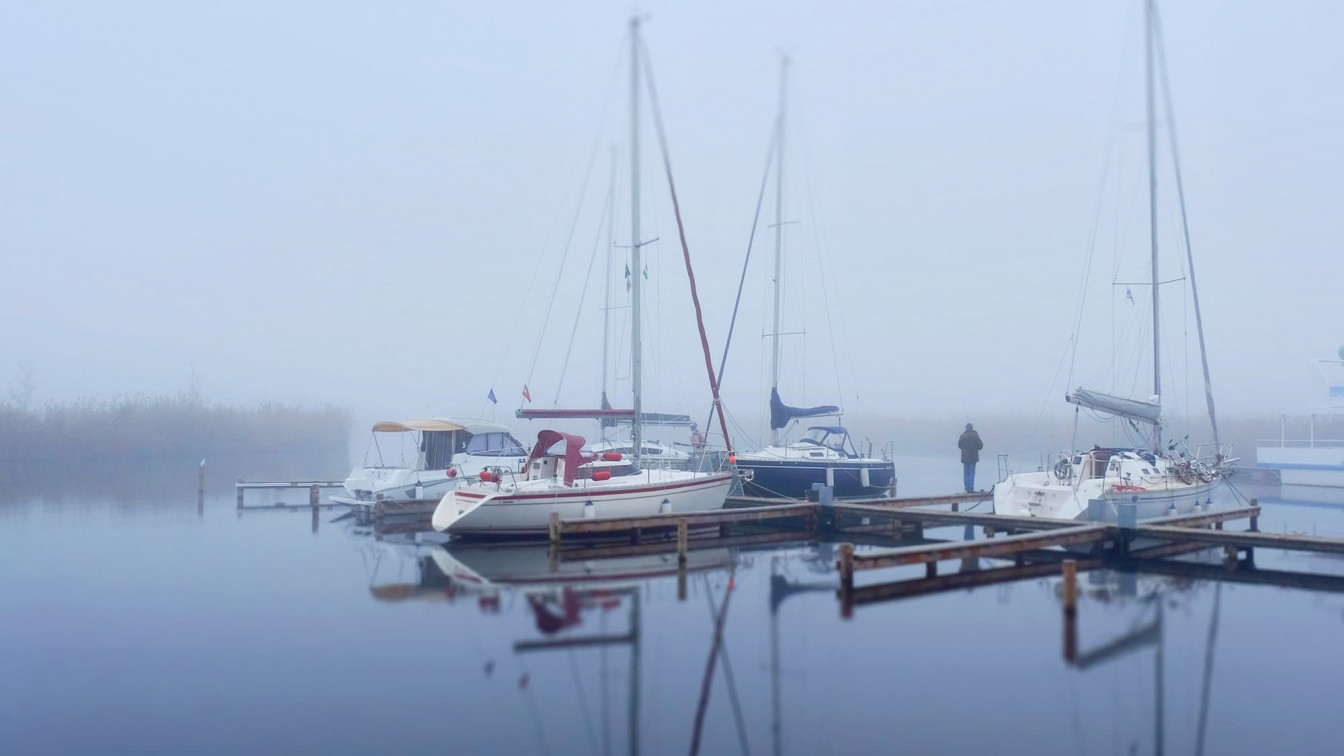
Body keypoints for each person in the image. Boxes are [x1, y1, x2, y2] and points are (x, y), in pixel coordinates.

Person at [958, 422, 984, 493]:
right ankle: (971, 489)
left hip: (964, 458)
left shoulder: (962, 436)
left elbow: (959, 446)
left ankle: (966, 489)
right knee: (971, 473)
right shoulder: (975, 435)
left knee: (966, 473)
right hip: (973, 458)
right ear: (972, 428)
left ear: (966, 428)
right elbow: (980, 446)